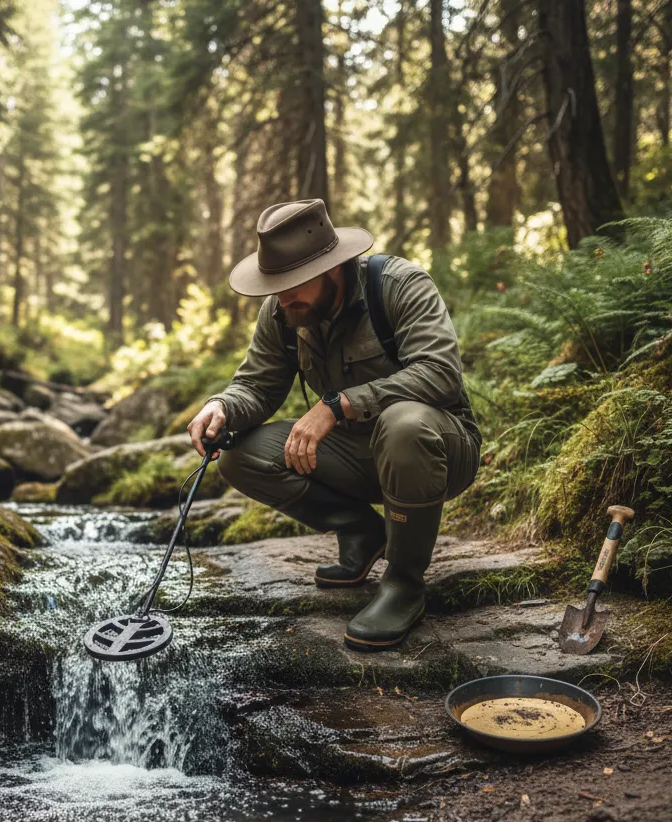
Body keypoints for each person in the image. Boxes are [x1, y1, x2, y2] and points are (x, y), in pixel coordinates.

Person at [187, 199, 481, 649]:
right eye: (275, 285)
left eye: (292, 285)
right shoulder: (283, 311)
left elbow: (440, 373)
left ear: (332, 269)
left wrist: (338, 404)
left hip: (436, 449)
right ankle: (364, 534)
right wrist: (222, 406)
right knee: (241, 455)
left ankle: (404, 584)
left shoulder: (400, 286)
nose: (281, 299)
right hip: (352, 456)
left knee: (403, 424)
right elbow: (257, 386)